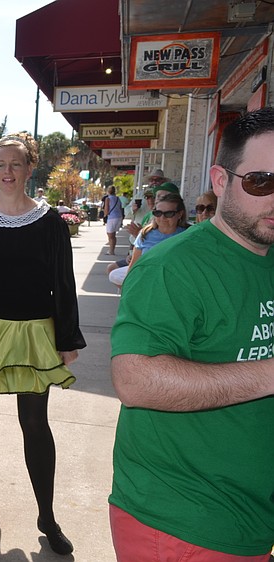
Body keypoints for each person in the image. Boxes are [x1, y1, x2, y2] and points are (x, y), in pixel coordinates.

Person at [110, 106, 274, 561]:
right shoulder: (171, 267)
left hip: (252, 515)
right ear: (220, 181)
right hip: (183, 521)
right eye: (261, 182)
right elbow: (135, 380)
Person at [0, 132, 85, 555]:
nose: (7, 171)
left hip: (33, 333)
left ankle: (47, 515)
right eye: (0, 164)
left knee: (35, 424)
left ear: (30, 169)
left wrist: (67, 338)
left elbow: (63, 283)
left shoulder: (50, 223)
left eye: (15, 164)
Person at [107, 193, 189, 288]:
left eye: (169, 214)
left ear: (180, 214)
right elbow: (133, 266)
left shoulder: (188, 235)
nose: (162, 218)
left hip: (174, 285)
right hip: (146, 281)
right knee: (114, 275)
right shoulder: (145, 234)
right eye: (158, 213)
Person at [103, 185, 124, 255]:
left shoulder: (108, 199)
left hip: (112, 217)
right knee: (113, 234)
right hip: (119, 217)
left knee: (110, 235)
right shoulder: (118, 198)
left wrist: (104, 215)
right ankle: (112, 250)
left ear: (108, 191)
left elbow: (106, 210)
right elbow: (121, 208)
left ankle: (111, 250)